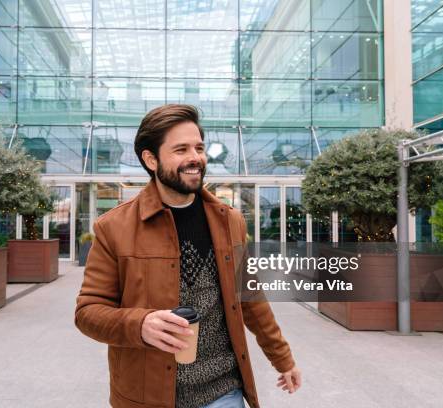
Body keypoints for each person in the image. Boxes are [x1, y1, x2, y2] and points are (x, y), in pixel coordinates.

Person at [74, 104, 301, 408]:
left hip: (224, 392)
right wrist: (139, 324)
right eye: (180, 149)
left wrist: (283, 359)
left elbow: (252, 300)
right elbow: (87, 312)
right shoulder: (114, 227)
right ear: (151, 159)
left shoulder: (229, 221)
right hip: (147, 398)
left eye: (199, 147)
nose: (195, 157)